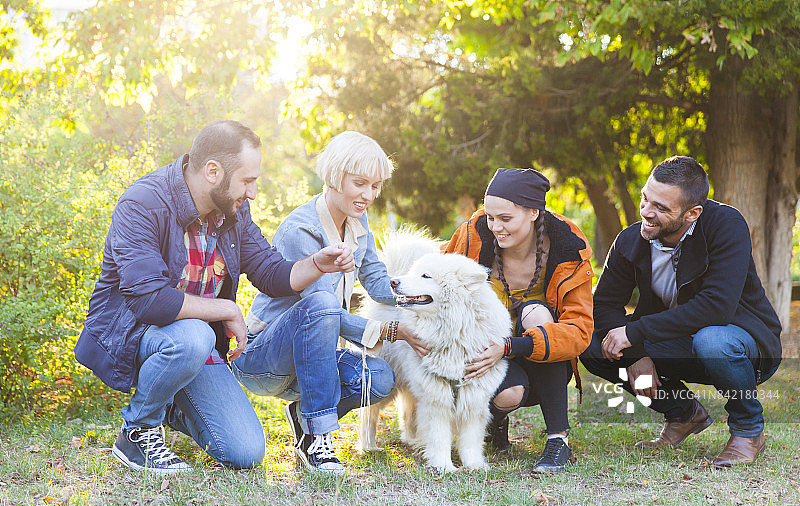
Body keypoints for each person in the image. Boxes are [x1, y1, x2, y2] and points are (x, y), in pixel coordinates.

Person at [74, 120, 355, 474]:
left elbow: (270, 273)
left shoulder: (231, 213)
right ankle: (138, 432)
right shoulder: (143, 204)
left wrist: (317, 263)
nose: (252, 192)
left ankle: (172, 400)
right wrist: (224, 308)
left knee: (245, 453)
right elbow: (149, 301)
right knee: (196, 335)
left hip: (195, 345)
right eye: (247, 180)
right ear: (212, 172)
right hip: (140, 334)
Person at [232, 130, 427, 474]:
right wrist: (391, 330)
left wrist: (414, 295)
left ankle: (305, 418)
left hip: (313, 360)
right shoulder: (300, 229)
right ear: (336, 176)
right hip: (264, 357)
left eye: (376, 186)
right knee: (322, 303)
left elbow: (376, 278)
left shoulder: (356, 218)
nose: (368, 195)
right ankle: (320, 440)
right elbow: (325, 314)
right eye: (360, 183)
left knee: (378, 378)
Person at [580, 155, 782, 467]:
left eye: (661, 208)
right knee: (595, 345)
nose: (647, 212)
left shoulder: (726, 226)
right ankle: (683, 413)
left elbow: (716, 308)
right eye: (646, 198)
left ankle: (748, 430)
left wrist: (635, 333)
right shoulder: (631, 240)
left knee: (712, 340)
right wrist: (635, 353)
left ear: (692, 213)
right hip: (677, 342)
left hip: (742, 344)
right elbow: (604, 305)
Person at [442, 168, 594, 473]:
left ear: (533, 213)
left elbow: (579, 331)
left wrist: (511, 345)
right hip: (487, 356)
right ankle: (495, 422)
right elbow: (439, 280)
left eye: (506, 219)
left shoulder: (567, 245)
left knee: (536, 312)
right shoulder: (472, 235)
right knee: (509, 394)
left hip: (543, 359)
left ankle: (558, 440)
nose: (496, 226)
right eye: (490, 217)